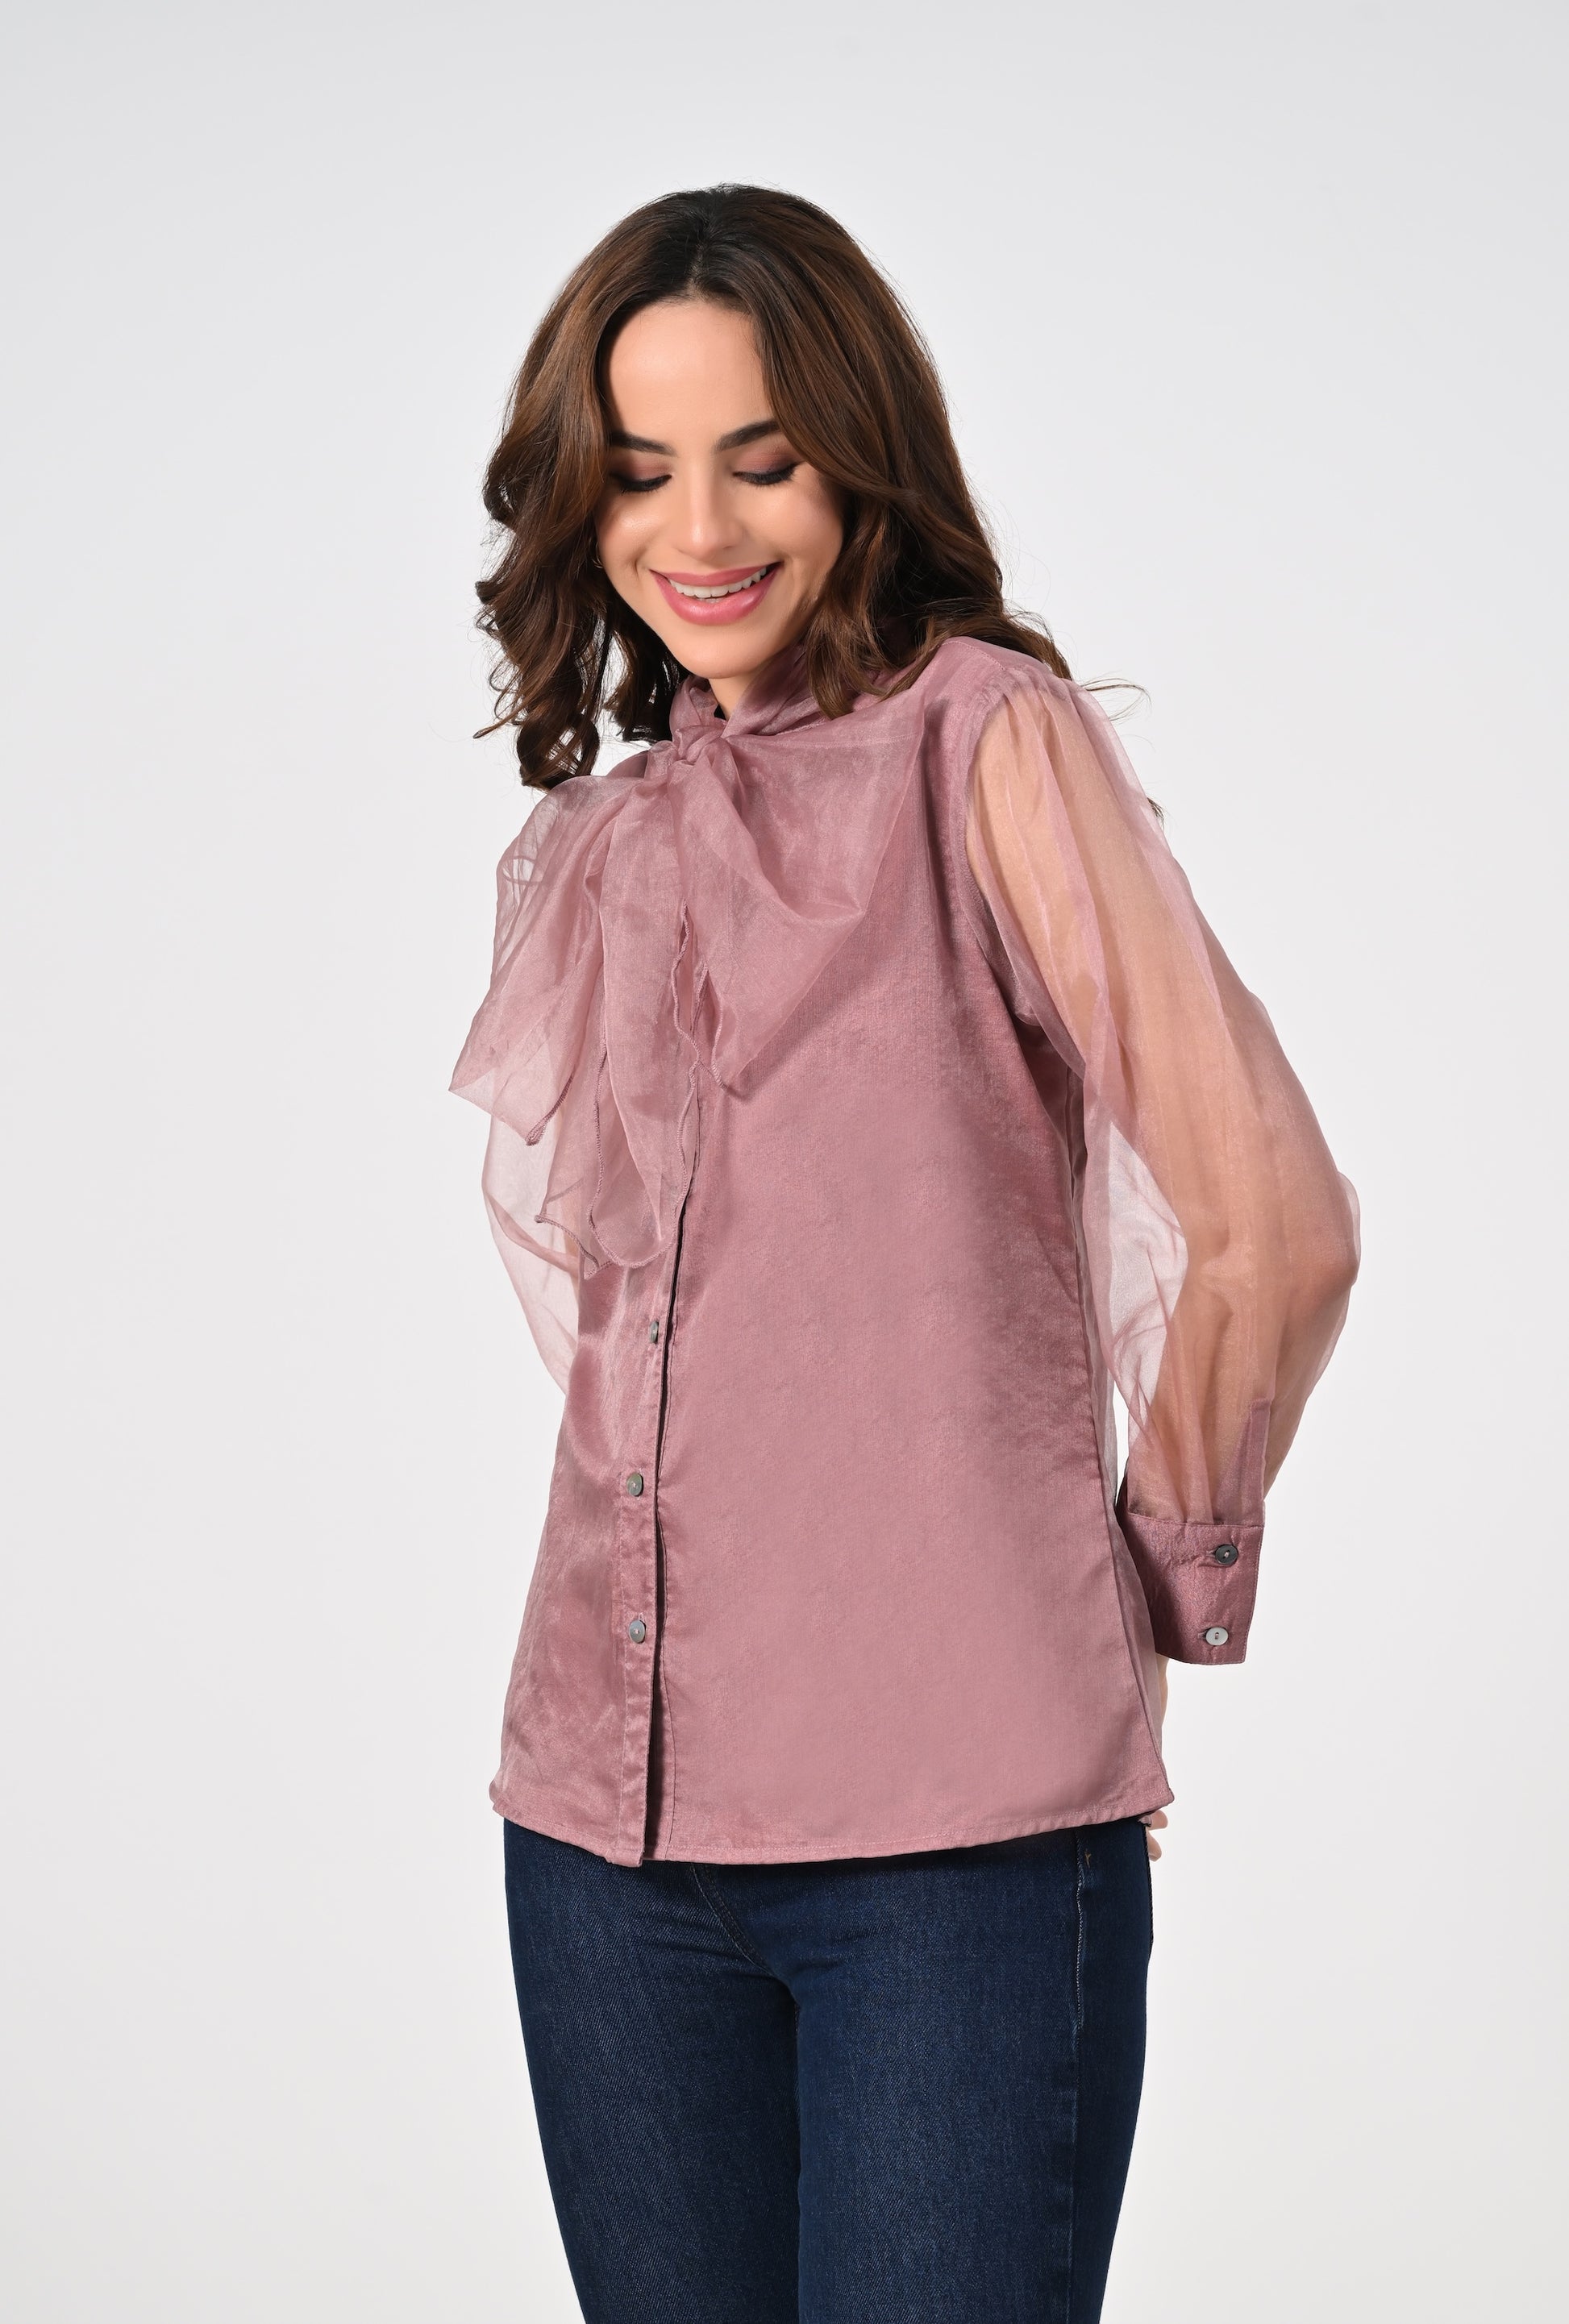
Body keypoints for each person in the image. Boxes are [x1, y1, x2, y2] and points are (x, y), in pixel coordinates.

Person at [451, 184, 1359, 2324]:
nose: (698, 528)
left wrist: (1152, 1582)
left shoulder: (985, 743)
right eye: (639, 469)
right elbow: (639, 1328)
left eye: (761, 459)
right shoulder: (611, 831)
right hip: (602, 1837)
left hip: (952, 1848)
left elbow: (1267, 1219)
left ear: (861, 461)